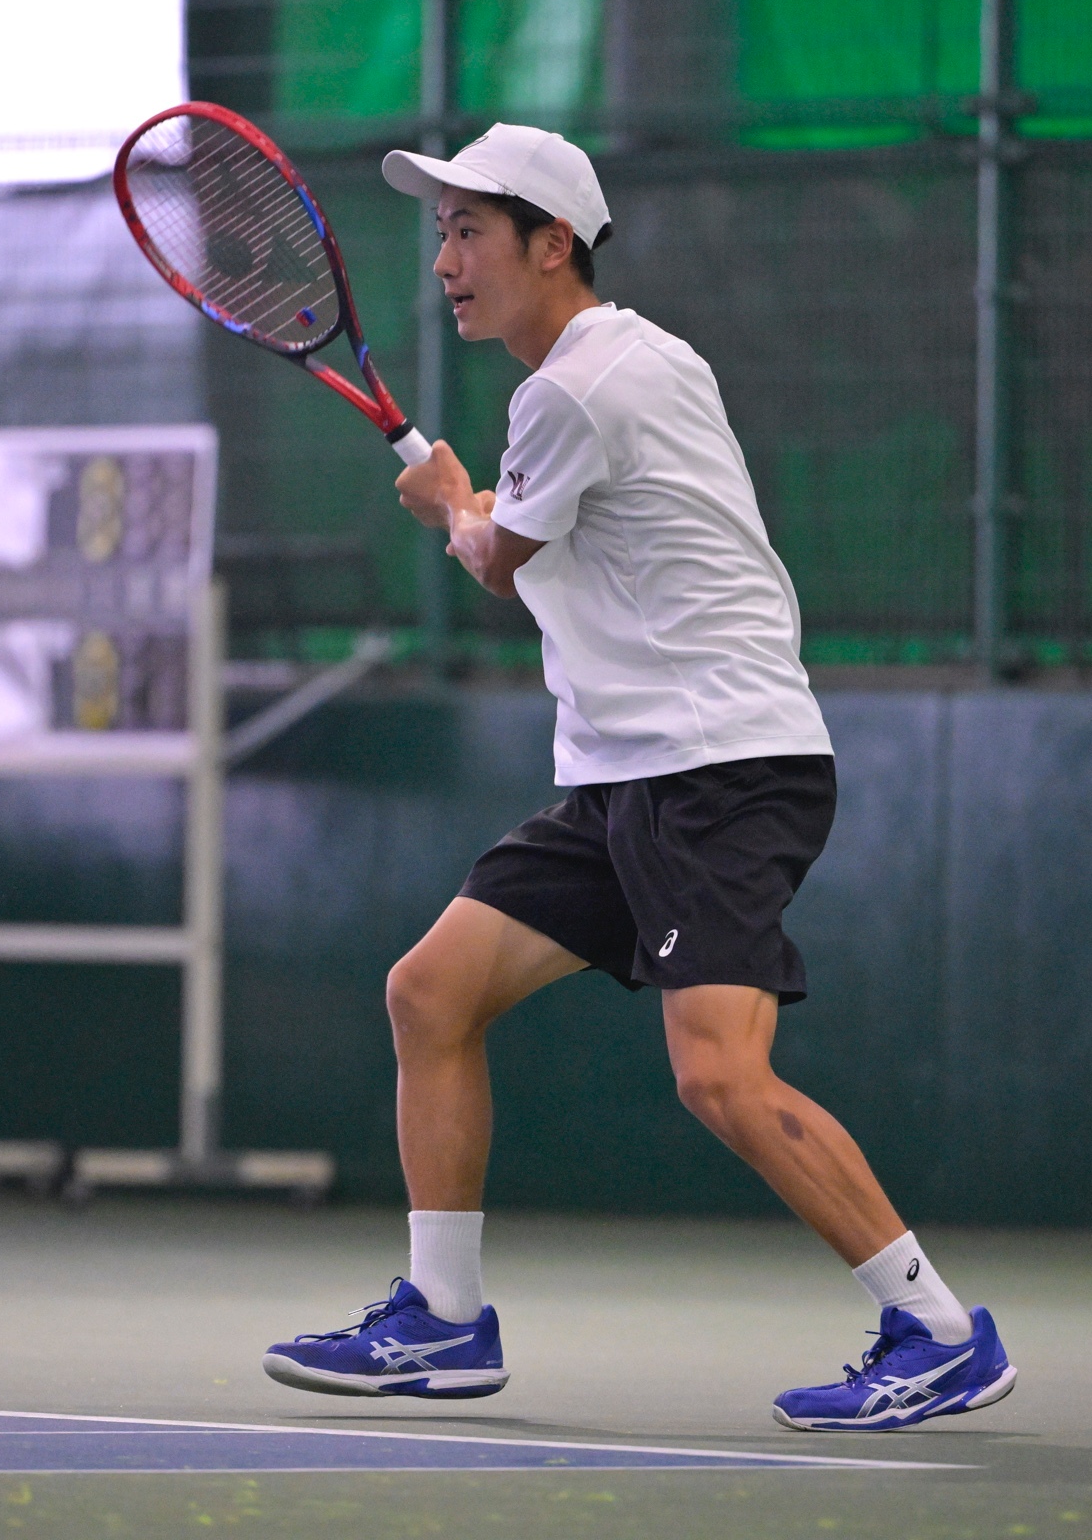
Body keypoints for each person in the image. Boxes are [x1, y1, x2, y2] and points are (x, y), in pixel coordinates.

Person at [259, 125, 1014, 1432]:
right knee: (432, 991)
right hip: (632, 773)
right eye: (440, 234)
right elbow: (536, 541)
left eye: (469, 232)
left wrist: (448, 503)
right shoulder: (638, 358)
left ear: (553, 243)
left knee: (720, 1076)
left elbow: (498, 560)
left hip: (717, 766)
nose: (444, 263)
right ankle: (443, 1319)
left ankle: (940, 1332)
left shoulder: (575, 391)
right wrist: (470, 505)